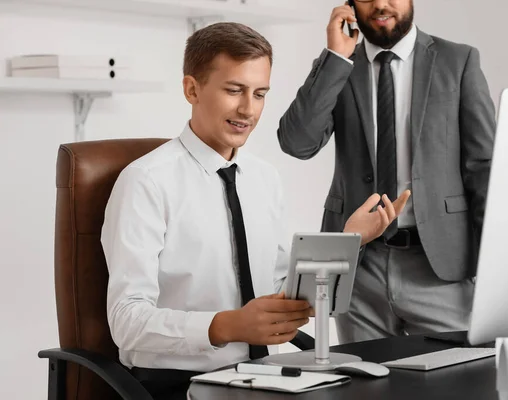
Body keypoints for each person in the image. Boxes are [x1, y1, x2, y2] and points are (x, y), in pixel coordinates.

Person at [101, 22, 410, 400]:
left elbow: (281, 290)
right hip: (175, 384)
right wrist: (226, 326)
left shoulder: (264, 179)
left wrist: (351, 239)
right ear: (192, 89)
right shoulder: (145, 182)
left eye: (260, 93)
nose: (248, 109)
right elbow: (126, 321)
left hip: (262, 378)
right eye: (234, 90)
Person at [277, 0, 496, 344]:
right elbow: (297, 143)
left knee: (457, 378)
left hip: (440, 264)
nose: (380, 4)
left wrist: (493, 265)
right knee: (365, 386)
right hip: (359, 264)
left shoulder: (459, 61)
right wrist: (335, 58)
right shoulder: (339, 65)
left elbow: (482, 168)